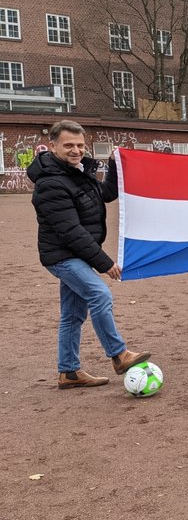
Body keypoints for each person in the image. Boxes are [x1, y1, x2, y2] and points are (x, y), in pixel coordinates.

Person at [27, 120, 151, 389]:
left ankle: (69, 372)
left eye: (80, 145)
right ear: (53, 146)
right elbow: (70, 231)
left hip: (78, 254)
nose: (76, 150)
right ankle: (119, 355)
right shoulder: (51, 183)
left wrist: (115, 164)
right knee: (99, 294)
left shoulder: (78, 171)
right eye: (68, 145)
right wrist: (104, 263)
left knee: (72, 315)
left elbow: (104, 193)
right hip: (62, 256)